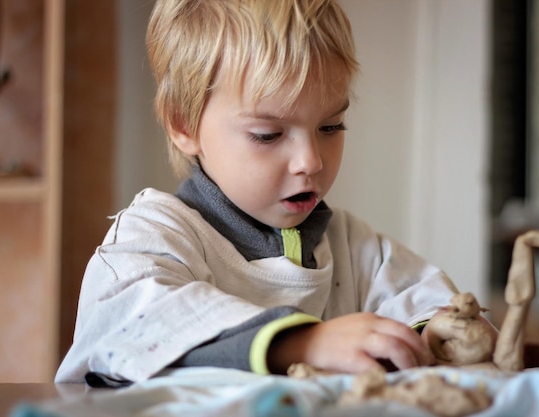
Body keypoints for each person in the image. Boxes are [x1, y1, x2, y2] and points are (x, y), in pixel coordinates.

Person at [55, 0, 459, 387]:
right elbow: (139, 324)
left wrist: (440, 334)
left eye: (331, 127)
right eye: (268, 135)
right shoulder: (152, 236)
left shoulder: (352, 247)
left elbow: (429, 304)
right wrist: (303, 343)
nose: (310, 161)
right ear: (184, 125)